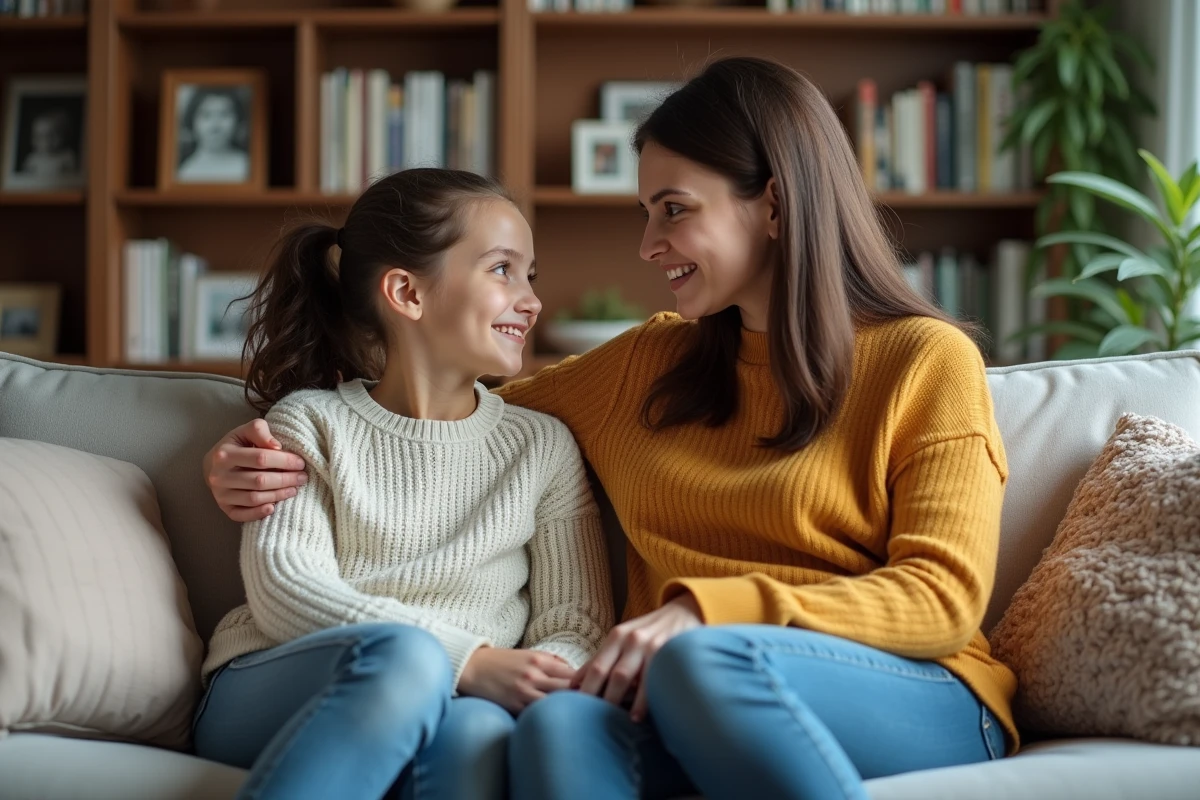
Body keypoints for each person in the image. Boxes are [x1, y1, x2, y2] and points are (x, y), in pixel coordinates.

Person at [202, 56, 1016, 800]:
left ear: (772, 203)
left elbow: (940, 600)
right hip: (679, 692)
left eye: (674, 210)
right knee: (561, 723)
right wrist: (253, 452)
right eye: (644, 212)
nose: (648, 244)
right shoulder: (643, 367)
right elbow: (451, 414)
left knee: (701, 662)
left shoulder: (925, 361)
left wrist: (705, 611)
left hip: (914, 692)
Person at [191, 168, 613, 800]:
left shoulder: (542, 446)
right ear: (407, 293)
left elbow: (575, 621)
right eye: (502, 269)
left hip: (463, 698)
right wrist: (464, 660)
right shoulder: (310, 422)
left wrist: (537, 676)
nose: (530, 300)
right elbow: (287, 590)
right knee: (406, 659)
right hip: (277, 681)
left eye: (531, 275)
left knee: (474, 734)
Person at [176, 86, 250, 183]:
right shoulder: (184, 172)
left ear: (238, 120)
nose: (215, 126)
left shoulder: (248, 165)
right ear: (192, 121)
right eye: (206, 115)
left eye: (224, 114)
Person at [21, 109, 76, 178]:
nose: (45, 141)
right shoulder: (32, 159)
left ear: (64, 135)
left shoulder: (67, 156)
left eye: (50, 135)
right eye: (39, 136)